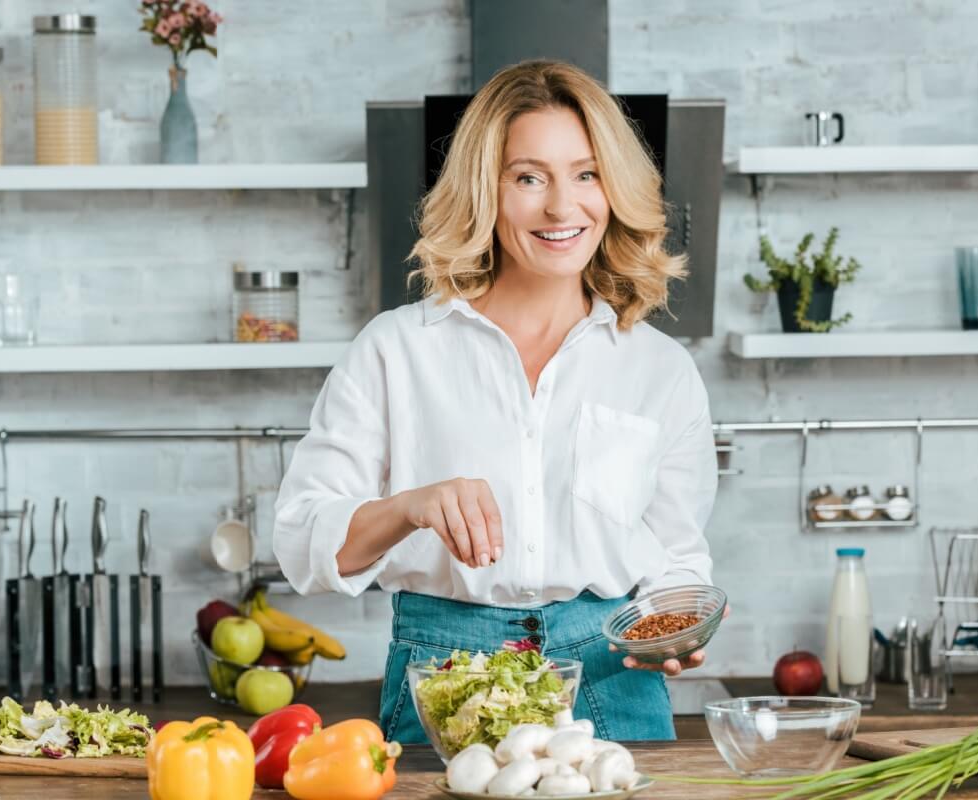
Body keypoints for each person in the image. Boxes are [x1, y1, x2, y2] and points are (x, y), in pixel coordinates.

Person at [274, 59, 717, 744]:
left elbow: (676, 557)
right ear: (487, 189)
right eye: (528, 177)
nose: (562, 207)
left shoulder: (661, 369)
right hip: (446, 678)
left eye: (587, 174)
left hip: (613, 679)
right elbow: (302, 542)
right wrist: (409, 505)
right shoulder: (397, 349)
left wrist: (677, 624)